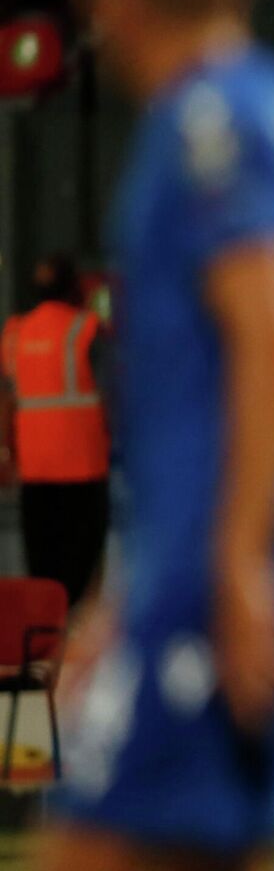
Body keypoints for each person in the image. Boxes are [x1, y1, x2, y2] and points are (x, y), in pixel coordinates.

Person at [30, 0, 274, 871]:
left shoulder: (209, 120)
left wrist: (232, 557)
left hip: (228, 546)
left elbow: (266, 338)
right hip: (229, 536)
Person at [2, 253, 110, 609]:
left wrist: (6, 453)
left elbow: (7, 400)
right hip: (83, 470)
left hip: (35, 471)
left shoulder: (15, 334)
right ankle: (75, 650)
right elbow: (115, 394)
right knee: (82, 571)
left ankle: (45, 644)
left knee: (44, 572)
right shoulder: (86, 329)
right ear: (74, 288)